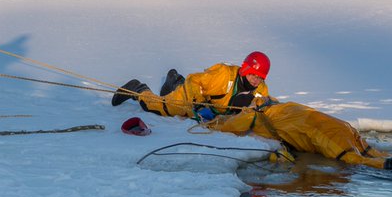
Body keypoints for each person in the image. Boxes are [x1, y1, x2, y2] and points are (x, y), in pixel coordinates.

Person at [201, 100, 392, 175]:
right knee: (375, 151)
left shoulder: (256, 117)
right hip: (344, 127)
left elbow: (226, 127)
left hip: (324, 135)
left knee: (357, 161)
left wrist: (208, 121)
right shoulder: (285, 107)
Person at [112, 51, 276, 119]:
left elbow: (264, 106)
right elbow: (195, 80)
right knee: (158, 108)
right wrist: (195, 106)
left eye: (260, 77)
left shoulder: (261, 90)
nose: (256, 80)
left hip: (214, 110)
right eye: (253, 75)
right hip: (193, 96)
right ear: (245, 70)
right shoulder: (223, 75)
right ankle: (137, 88)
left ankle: (175, 81)